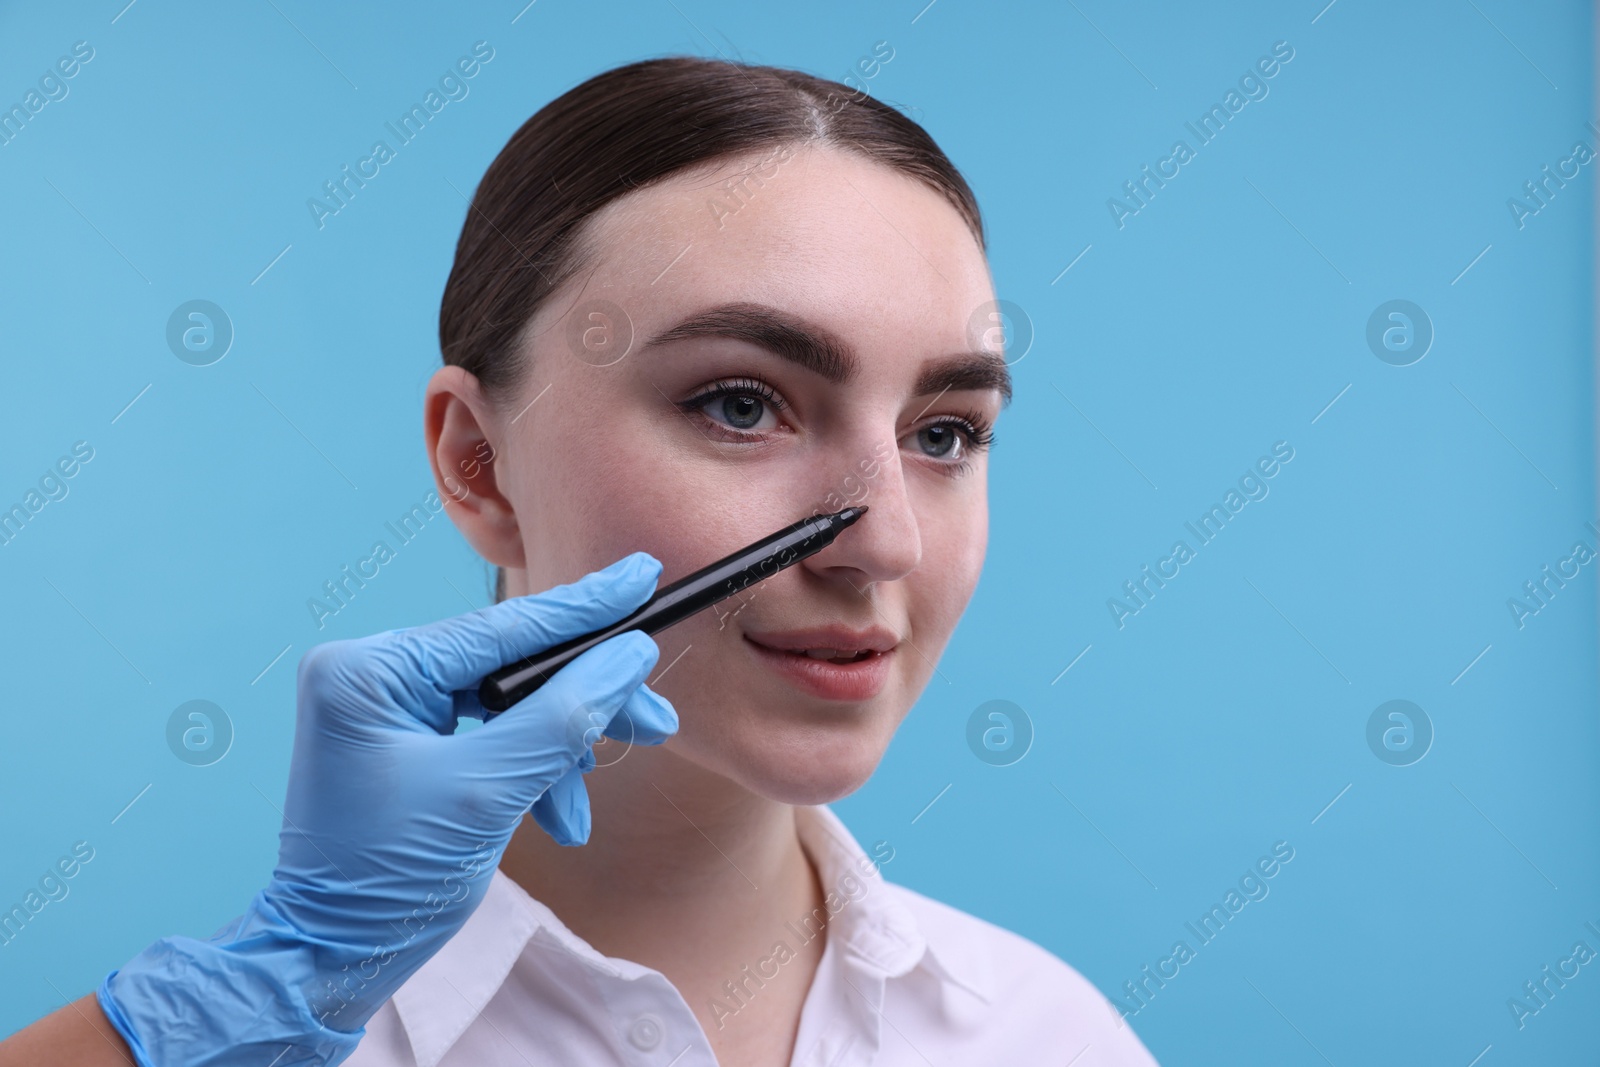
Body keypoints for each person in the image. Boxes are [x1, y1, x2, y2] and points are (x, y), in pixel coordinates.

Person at [0, 56, 1160, 1066]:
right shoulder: (265, 1039)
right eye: (742, 403)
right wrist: (269, 995)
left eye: (944, 433)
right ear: (480, 466)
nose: (887, 539)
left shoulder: (1049, 1036)